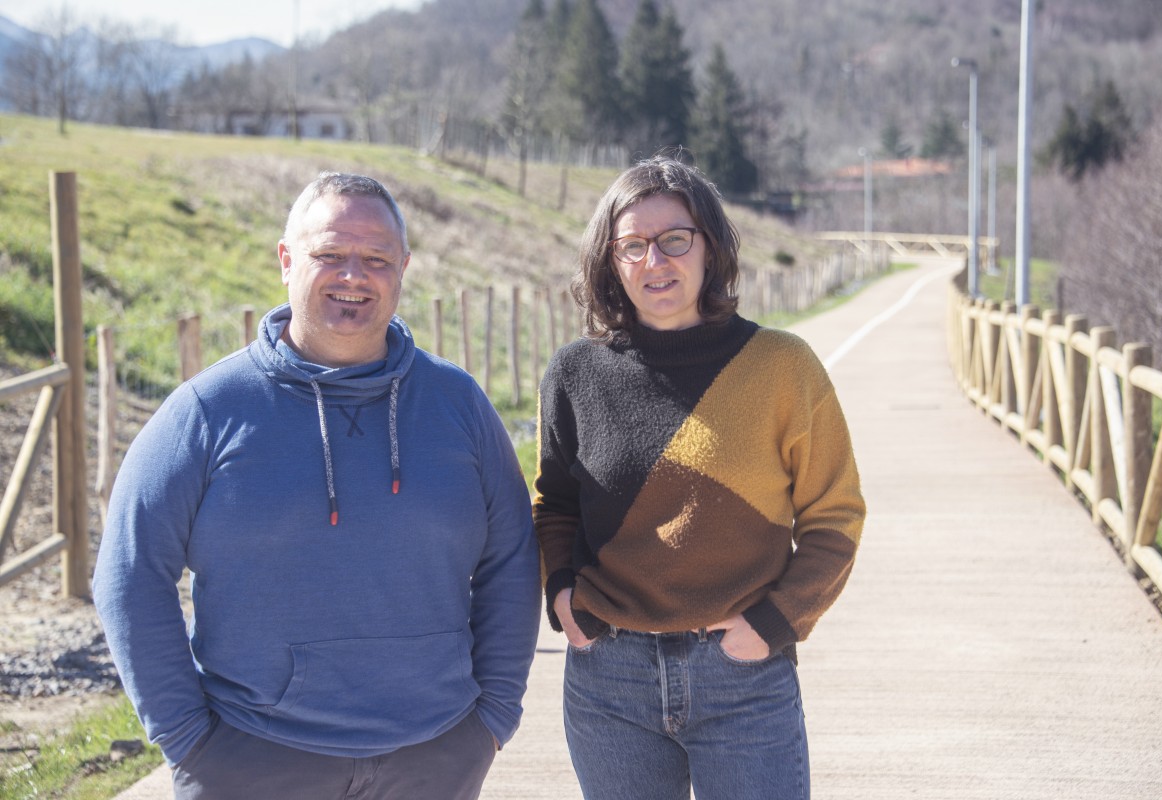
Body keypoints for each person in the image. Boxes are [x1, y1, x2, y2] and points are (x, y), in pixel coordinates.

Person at [93, 172, 541, 800]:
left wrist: (493, 717)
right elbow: (129, 571)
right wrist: (187, 737)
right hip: (253, 760)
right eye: (329, 254)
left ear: (403, 268)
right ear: (286, 261)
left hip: (435, 759)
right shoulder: (208, 411)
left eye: (376, 259)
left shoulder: (458, 404)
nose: (353, 275)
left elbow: (512, 558)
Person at [532, 154, 866, 799]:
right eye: (632, 245)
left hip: (742, 674)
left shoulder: (781, 366)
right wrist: (563, 595)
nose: (654, 262)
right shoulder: (575, 374)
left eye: (674, 240)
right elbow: (556, 506)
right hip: (609, 679)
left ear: (710, 248)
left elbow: (836, 517)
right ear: (610, 260)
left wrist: (776, 623)